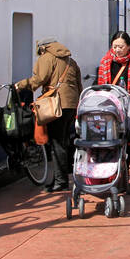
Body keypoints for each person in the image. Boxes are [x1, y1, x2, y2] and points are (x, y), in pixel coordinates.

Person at [15, 38, 81, 192]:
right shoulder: (71, 61)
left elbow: (38, 79)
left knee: (57, 143)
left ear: (43, 48)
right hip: (71, 104)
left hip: (56, 104)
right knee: (64, 140)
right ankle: (64, 176)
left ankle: (61, 181)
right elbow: (78, 84)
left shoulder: (47, 58)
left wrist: (21, 85)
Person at [97, 30, 130, 157]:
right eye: (114, 46)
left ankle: (124, 171)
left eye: (121, 46)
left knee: (127, 145)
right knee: (110, 142)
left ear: (129, 46)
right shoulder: (106, 62)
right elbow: (99, 85)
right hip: (110, 110)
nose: (117, 50)